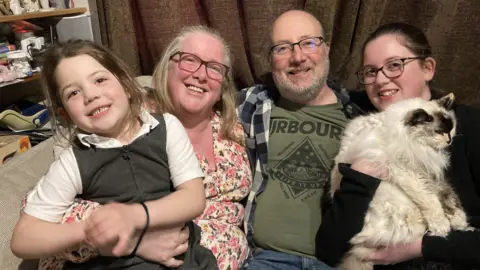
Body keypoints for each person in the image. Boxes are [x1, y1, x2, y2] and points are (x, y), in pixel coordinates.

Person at [10, 39, 218, 270]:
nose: (91, 95)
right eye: (74, 93)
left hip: (183, 257)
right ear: (65, 114)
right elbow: (23, 239)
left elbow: (193, 199)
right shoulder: (73, 162)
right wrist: (88, 231)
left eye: (100, 80)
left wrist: (132, 216)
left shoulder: (167, 127)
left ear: (127, 86)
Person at [316, 22, 480, 269]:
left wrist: (420, 247)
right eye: (370, 71)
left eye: (395, 65)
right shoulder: (363, 129)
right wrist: (361, 178)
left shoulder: (472, 126)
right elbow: (329, 248)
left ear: (428, 68)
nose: (381, 80)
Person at [237, 9, 365, 269]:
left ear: (326, 49)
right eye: (282, 48)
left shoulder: (362, 120)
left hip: (337, 263)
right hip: (265, 259)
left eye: (308, 43)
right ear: (271, 60)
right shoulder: (250, 105)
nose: (297, 57)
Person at [152, 25, 252, 270]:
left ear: (221, 88)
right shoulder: (139, 126)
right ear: (168, 68)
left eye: (214, 68)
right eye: (190, 60)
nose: (201, 75)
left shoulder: (233, 128)